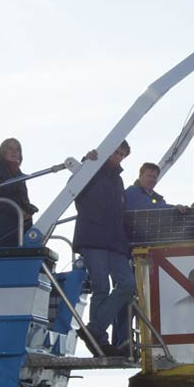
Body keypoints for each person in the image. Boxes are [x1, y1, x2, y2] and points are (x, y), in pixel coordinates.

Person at [73, 140, 134, 356]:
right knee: (101, 288)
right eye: (116, 152)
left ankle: (94, 330)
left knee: (128, 284)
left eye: (122, 154)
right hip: (92, 237)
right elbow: (75, 189)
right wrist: (85, 162)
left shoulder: (118, 180)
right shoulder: (90, 169)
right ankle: (100, 341)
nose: (118, 156)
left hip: (115, 242)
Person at [0, 137, 35, 249]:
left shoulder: (19, 175)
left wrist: (29, 210)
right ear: (3, 151)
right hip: (1, 226)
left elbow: (23, 200)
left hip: (21, 225)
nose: (14, 152)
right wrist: (17, 211)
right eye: (10, 148)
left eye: (17, 149)